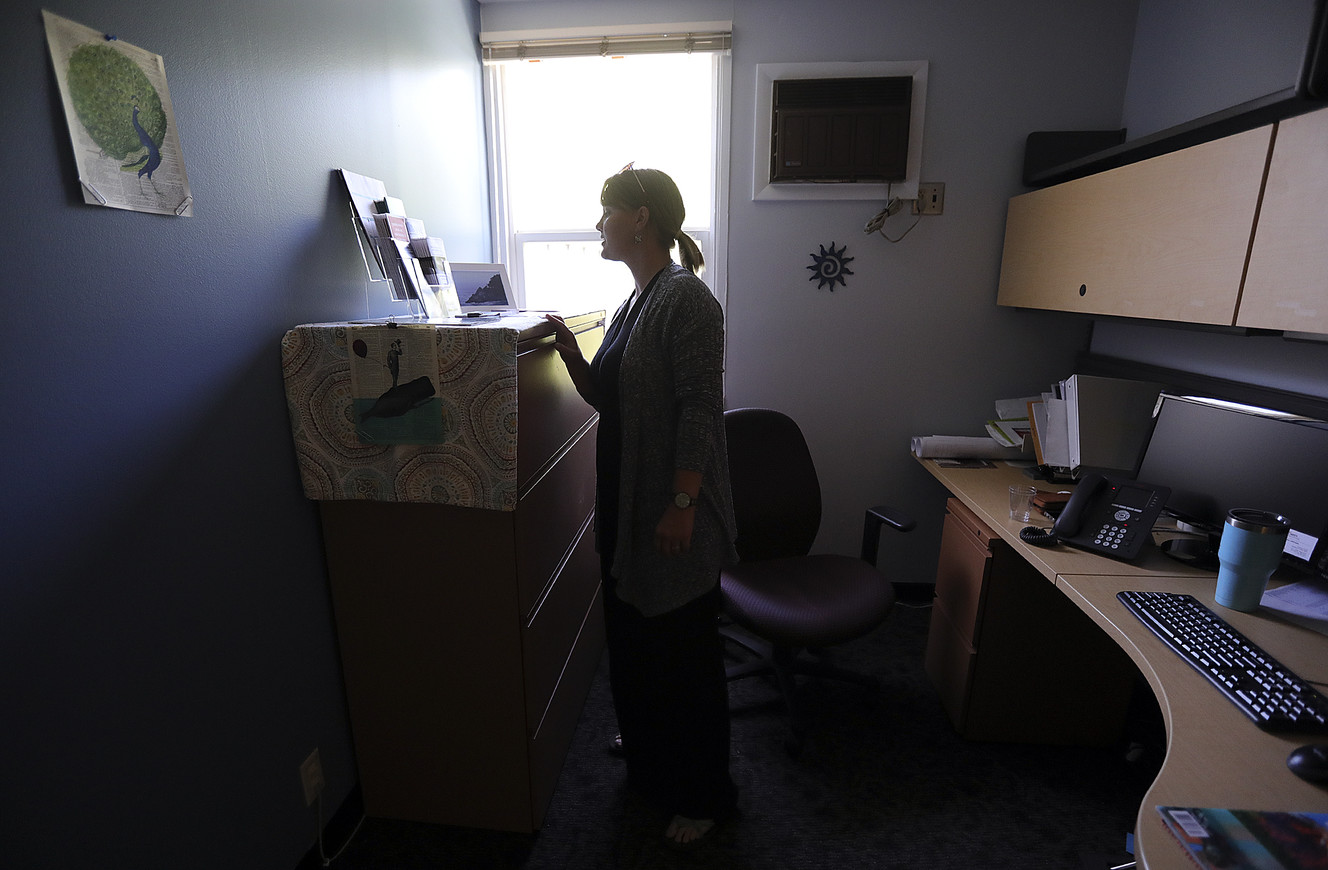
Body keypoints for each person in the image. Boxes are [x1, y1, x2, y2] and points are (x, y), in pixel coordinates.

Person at [545, 165, 739, 848]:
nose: (598, 225)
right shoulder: (636, 299)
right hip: (629, 507)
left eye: (607, 213)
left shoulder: (687, 301)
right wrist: (571, 355)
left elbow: (699, 410)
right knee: (634, 640)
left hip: (673, 509)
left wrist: (684, 502)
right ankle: (653, 751)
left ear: (642, 217)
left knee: (683, 655)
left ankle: (705, 795)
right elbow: (611, 397)